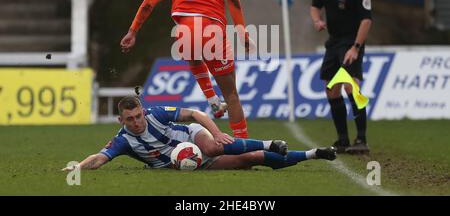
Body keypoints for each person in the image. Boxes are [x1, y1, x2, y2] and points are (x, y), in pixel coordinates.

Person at [120, 0, 255, 138]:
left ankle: (212, 100)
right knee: (231, 95)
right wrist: (242, 31)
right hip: (212, 31)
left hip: (184, 31)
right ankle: (243, 146)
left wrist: (132, 31)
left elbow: (150, 0)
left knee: (193, 56)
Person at [62, 96, 336, 171]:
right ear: (121, 119)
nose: (136, 122)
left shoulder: (156, 113)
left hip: (192, 137)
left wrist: (216, 133)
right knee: (251, 159)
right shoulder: (124, 140)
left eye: (138, 116)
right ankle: (314, 153)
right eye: (130, 119)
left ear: (142, 111)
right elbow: (99, 157)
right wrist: (76, 167)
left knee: (216, 147)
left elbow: (195, 114)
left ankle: (271, 143)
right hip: (187, 163)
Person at [310, 0, 372, 154]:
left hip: (351, 42)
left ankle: (361, 139)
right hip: (333, 42)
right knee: (331, 90)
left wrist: (356, 47)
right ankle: (343, 140)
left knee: (350, 87)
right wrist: (317, 20)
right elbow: (315, 5)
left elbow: (366, 19)